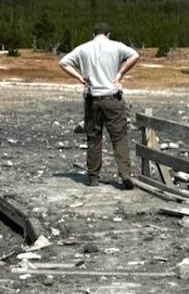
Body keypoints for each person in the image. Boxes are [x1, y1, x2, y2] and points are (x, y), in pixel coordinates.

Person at [59, 22, 140, 189]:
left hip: (92, 98)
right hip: (112, 97)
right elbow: (135, 56)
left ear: (93, 34)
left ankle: (93, 177)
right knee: (119, 138)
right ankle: (125, 174)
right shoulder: (116, 46)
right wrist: (120, 73)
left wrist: (80, 77)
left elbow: (63, 62)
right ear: (108, 34)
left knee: (94, 138)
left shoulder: (83, 48)